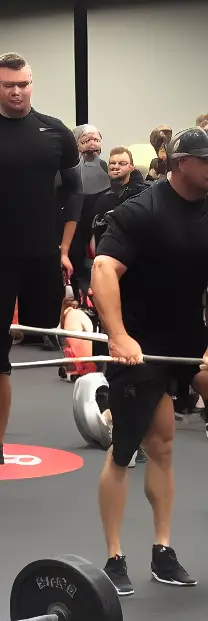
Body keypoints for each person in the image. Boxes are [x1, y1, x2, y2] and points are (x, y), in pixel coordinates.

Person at [90, 127, 208, 596]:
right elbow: (104, 270)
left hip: (182, 343)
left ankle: (162, 550)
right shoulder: (140, 211)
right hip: (137, 345)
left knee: (163, 446)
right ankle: (114, 556)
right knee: (125, 449)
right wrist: (118, 336)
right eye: (206, 160)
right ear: (179, 162)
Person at [0, 52, 80, 465]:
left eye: (23, 84)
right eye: (9, 85)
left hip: (41, 255)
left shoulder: (55, 131)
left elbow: (75, 189)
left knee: (48, 335)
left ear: (32, 83)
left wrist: (64, 248)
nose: (17, 91)